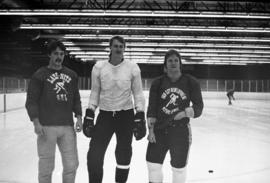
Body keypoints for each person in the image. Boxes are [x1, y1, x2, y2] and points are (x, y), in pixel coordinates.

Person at [83, 35, 146, 183]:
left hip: (126, 115)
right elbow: (95, 92)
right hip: (105, 115)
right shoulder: (99, 67)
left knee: (124, 153)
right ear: (110, 47)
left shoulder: (132, 68)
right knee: (94, 153)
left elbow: (138, 93)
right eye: (116, 46)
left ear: (124, 49)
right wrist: (90, 113)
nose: (118, 49)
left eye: (121, 46)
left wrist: (140, 114)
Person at [25, 40, 82, 183]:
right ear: (49, 55)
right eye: (56, 53)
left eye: (62, 54)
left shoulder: (72, 75)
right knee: (46, 167)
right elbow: (31, 101)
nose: (59, 57)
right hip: (46, 127)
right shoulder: (40, 75)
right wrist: (36, 122)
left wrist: (79, 117)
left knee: (71, 165)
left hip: (67, 127)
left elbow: (76, 98)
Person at [146, 49, 204, 183]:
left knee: (179, 168)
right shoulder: (158, 83)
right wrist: (151, 130)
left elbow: (199, 106)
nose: (173, 63)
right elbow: (152, 109)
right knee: (153, 164)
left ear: (180, 64)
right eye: (170, 61)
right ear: (165, 65)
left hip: (180, 131)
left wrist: (185, 113)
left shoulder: (191, 82)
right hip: (159, 130)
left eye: (176, 60)